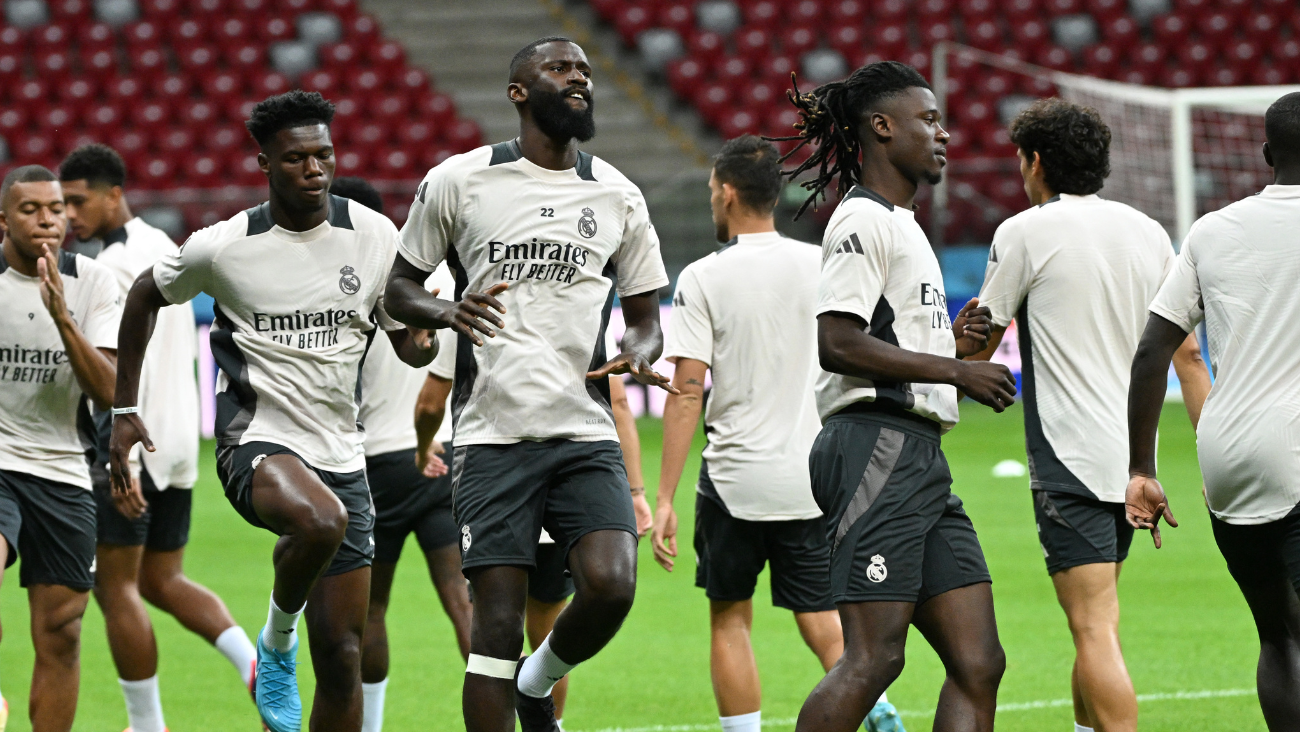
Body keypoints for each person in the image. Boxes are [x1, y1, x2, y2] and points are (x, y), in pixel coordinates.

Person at [108, 91, 435, 732]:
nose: (314, 170)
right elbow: (145, 295)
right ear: (264, 164)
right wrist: (124, 405)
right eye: (296, 160)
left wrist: (428, 337)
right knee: (319, 522)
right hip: (254, 440)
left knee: (342, 657)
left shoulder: (372, 234)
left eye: (324, 156)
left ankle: (291, 647)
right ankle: (277, 641)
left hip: (343, 450)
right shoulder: (225, 245)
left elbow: (404, 343)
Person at [385, 36, 674, 732]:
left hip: (583, 428)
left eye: (584, 69)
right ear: (519, 92)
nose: (579, 77)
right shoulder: (460, 180)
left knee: (612, 586)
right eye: (560, 68)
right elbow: (397, 289)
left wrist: (638, 351)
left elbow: (645, 319)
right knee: (494, 631)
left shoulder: (617, 193)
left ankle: (537, 685)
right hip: (491, 438)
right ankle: (520, 684)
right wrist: (447, 310)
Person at [774, 61, 1018, 732]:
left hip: (917, 455)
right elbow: (838, 343)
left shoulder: (902, 223)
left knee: (979, 661)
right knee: (875, 656)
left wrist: (953, 352)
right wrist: (956, 374)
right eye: (929, 119)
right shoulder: (861, 221)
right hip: (874, 445)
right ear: (882, 127)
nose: (944, 132)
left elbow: (893, 347)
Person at [969, 100, 1211, 732]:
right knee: (1098, 622)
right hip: (1135, 461)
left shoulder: (1024, 231)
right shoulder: (1149, 231)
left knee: (1094, 628)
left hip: (1069, 458)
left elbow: (978, 345)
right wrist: (1210, 449)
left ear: (1037, 161)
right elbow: (1185, 349)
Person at [652, 135, 904, 732]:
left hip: (738, 478)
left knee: (730, 619)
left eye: (714, 191)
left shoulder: (703, 276)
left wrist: (663, 498)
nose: (713, 201)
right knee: (821, 617)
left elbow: (688, 388)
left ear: (730, 192)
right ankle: (882, 712)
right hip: (812, 475)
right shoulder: (821, 264)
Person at [59, 143, 260, 732]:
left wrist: (113, 452)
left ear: (113, 193)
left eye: (78, 200)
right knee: (161, 578)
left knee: (115, 586)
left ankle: (146, 724)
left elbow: (112, 366)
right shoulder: (161, 247)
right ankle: (252, 662)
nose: (70, 214)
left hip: (131, 441)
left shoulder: (115, 267)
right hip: (176, 442)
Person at [1127, 91, 1300, 732]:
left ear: (1265, 155)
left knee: (1280, 637)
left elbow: (1152, 353)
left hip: (1231, 454)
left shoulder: (1211, 230)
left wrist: (1141, 467)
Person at [328, 176, 473, 732]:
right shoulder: (432, 281)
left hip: (377, 463)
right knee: (463, 601)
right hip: (442, 454)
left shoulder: (349, 288)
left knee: (372, 609)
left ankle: (372, 725)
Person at [0, 165, 121, 732]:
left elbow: (108, 391)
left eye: (54, 209)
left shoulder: (94, 282)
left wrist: (61, 318)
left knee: (63, 632)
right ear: (4, 219)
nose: (47, 219)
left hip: (64, 468)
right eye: (30, 209)